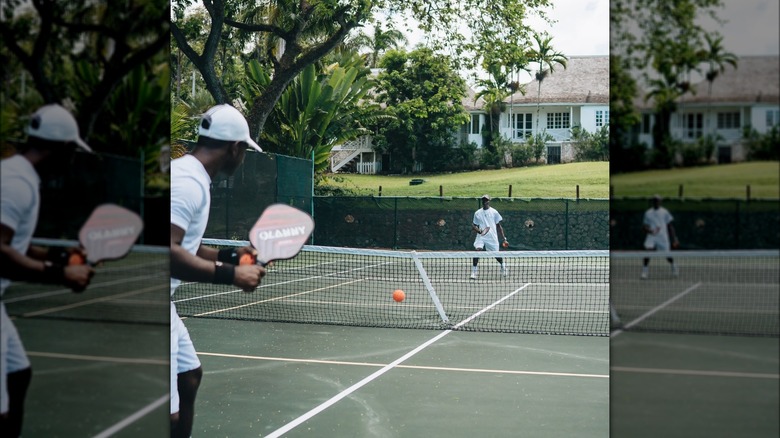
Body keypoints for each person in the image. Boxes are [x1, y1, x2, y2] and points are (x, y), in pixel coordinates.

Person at [169, 104, 266, 438]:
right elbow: (165, 252)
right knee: (166, 413)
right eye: (244, 151)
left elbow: (187, 247)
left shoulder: (191, 176)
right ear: (235, 148)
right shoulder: (186, 183)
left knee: (189, 375)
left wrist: (230, 256)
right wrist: (232, 275)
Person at [1, 104, 95, 437]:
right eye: (72, 152)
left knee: (18, 373)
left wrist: (59, 255)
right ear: (62, 149)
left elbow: (16, 244)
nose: (72, 161)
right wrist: (59, 274)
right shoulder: (17, 184)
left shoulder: (17, 175)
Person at [641, 194, 679, 279]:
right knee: (647, 252)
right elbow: (645, 226)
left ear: (660, 202)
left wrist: (674, 239)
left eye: (658, 201)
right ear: (652, 202)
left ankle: (673, 266)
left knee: (667, 255)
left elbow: (670, 226)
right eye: (654, 201)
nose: (656, 202)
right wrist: (649, 230)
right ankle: (644, 271)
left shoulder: (665, 212)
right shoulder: (648, 213)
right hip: (651, 236)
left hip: (662, 237)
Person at [470, 194, 508, 279]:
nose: (485, 202)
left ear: (489, 201)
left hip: (492, 237)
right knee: (477, 251)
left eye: (486, 200)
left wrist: (504, 238)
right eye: (483, 200)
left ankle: (503, 265)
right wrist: (478, 230)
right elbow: (474, 225)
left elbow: (498, 226)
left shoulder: (494, 212)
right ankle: (474, 271)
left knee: (496, 255)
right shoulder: (477, 213)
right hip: (481, 236)